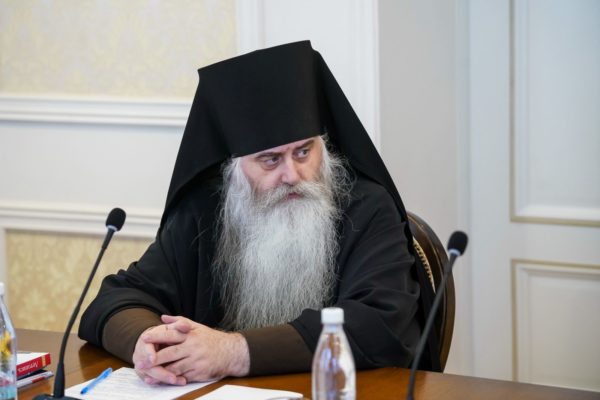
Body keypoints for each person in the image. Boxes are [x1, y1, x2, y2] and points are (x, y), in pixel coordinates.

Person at [78, 41, 440, 385]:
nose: (292, 175)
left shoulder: (368, 207)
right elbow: (115, 300)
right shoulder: (205, 212)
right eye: (270, 160)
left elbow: (378, 323)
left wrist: (232, 352)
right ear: (234, 168)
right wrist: (147, 342)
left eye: (303, 152)